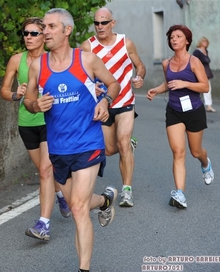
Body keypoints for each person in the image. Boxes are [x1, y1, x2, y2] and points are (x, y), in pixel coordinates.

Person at [24, 8, 120, 272]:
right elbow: (28, 101)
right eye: (44, 27)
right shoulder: (38, 65)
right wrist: (36, 105)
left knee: (77, 208)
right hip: (58, 148)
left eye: (51, 27)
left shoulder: (87, 60)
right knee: (80, 203)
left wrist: (106, 100)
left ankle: (83, 268)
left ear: (67, 30)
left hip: (88, 143)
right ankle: (104, 201)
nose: (45, 31)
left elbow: (113, 83)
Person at [0, 17, 71, 241]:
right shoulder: (16, 60)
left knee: (44, 170)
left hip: (49, 121)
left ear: (44, 36)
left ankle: (43, 224)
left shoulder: (53, 60)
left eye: (33, 33)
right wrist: (15, 95)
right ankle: (61, 195)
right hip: (26, 122)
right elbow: (3, 90)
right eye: (25, 33)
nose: (28, 37)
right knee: (46, 172)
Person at [80, 7, 146, 207]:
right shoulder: (88, 46)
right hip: (102, 104)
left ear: (112, 23)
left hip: (125, 100)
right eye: (97, 23)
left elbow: (140, 65)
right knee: (109, 149)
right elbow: (82, 75)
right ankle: (128, 147)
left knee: (123, 143)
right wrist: (92, 86)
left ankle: (127, 191)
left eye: (104, 22)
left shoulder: (125, 43)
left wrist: (139, 77)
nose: (100, 27)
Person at [147, 25, 214, 209]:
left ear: (187, 40)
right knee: (178, 152)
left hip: (194, 111)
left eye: (178, 36)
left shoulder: (194, 62)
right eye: (171, 37)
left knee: (195, 151)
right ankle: (180, 193)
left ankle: (205, 163)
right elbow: (169, 84)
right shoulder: (166, 63)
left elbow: (204, 87)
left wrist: (185, 82)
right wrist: (156, 90)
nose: (174, 39)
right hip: (174, 111)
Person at [193, 37, 216, 112]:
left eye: (206, 42)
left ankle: (208, 105)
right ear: (200, 42)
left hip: (206, 72)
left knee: (208, 88)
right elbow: (194, 62)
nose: (205, 43)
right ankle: (194, 104)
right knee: (197, 89)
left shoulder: (206, 51)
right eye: (204, 42)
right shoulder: (197, 52)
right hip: (199, 72)